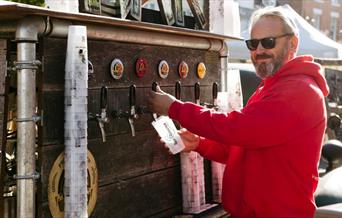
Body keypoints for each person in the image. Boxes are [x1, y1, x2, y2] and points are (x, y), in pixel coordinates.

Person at [148, 6, 330, 218]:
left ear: (293, 43)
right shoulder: (272, 87)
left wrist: (175, 108)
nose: (259, 50)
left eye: (268, 42)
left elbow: (239, 129)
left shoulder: (300, 90)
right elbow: (244, 144)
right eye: (253, 44)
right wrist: (200, 144)